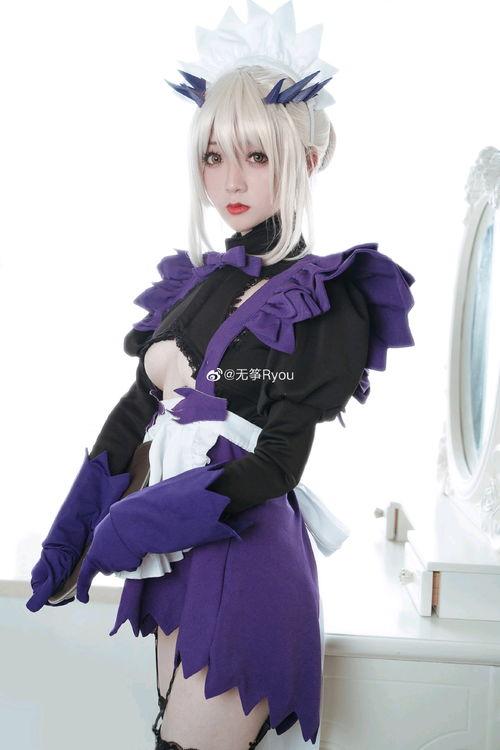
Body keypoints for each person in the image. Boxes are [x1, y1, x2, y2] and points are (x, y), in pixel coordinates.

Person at [26, 2, 416, 749]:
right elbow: (133, 415)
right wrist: (68, 535)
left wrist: (129, 524)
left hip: (246, 560)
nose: (230, 179)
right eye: (213, 156)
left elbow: (276, 466)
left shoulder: (325, 295)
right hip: (175, 561)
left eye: (256, 156)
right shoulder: (199, 286)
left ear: (306, 159)